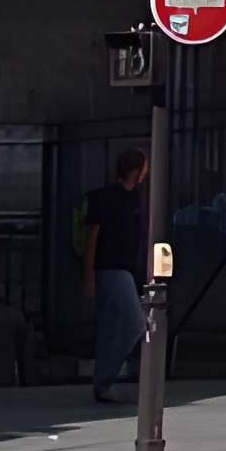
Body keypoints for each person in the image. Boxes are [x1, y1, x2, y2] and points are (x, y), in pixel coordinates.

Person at [79, 147, 148, 404]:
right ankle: (106, 376)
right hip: (112, 268)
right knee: (135, 324)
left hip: (120, 268)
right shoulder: (108, 198)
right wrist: (88, 277)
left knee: (111, 327)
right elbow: (92, 237)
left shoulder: (134, 197)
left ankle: (103, 382)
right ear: (136, 169)